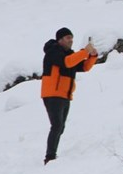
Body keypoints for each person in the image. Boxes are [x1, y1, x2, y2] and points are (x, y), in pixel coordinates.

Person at [41, 27, 98, 164]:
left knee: (60, 127)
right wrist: (85, 52)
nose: (71, 40)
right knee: (57, 125)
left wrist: (92, 56)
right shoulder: (53, 52)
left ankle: (52, 154)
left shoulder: (69, 55)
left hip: (65, 95)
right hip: (52, 94)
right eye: (68, 38)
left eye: (71, 37)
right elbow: (67, 62)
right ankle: (50, 156)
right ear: (60, 40)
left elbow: (84, 67)